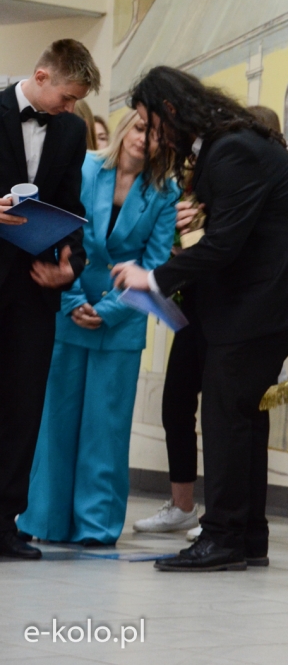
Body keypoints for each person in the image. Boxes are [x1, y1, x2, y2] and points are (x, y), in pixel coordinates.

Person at [112, 66, 288, 572]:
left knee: (227, 416)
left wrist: (155, 278)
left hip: (260, 302)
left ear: (169, 111)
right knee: (243, 416)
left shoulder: (230, 149)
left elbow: (226, 244)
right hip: (262, 301)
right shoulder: (230, 144)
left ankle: (224, 537)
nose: (152, 135)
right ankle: (247, 535)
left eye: (150, 121)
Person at [18, 112, 179, 545]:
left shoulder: (166, 192)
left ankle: (96, 526)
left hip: (122, 317)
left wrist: (107, 311)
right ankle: (43, 520)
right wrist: (72, 300)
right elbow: (54, 234)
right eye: (142, 128)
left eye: (157, 136)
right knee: (56, 421)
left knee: (105, 429)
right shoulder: (86, 167)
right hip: (66, 301)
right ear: (127, 126)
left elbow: (156, 261)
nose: (145, 140)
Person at [0, 39, 99, 561]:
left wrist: (70, 266)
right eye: (66, 97)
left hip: (35, 286)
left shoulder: (71, 131)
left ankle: (4, 522)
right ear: (41, 77)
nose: (70, 108)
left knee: (22, 406)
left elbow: (71, 205)